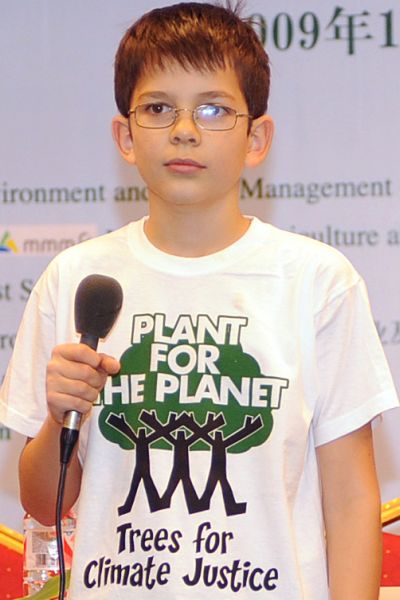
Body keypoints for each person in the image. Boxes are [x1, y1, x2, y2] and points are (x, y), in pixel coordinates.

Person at [0, 2, 398, 599]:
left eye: (213, 109)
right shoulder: (77, 278)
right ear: (125, 135)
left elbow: (350, 500)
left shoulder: (317, 280)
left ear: (256, 137)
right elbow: (40, 498)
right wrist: (58, 415)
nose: (184, 130)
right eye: (159, 108)